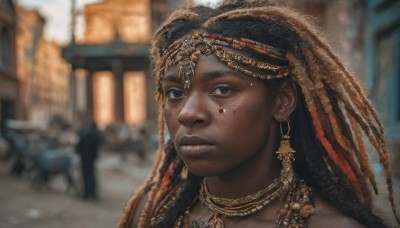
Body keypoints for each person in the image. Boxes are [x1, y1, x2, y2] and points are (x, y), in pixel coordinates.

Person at [119, 0, 400, 227]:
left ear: (282, 102)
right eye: (175, 93)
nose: (188, 114)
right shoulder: (151, 216)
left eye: (223, 89)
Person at [76, 121, 102, 200]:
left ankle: (87, 194)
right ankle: (92, 193)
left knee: (86, 175)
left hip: (85, 157)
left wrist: (79, 152)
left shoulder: (85, 134)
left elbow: (79, 145)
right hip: (92, 158)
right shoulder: (97, 135)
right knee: (91, 175)